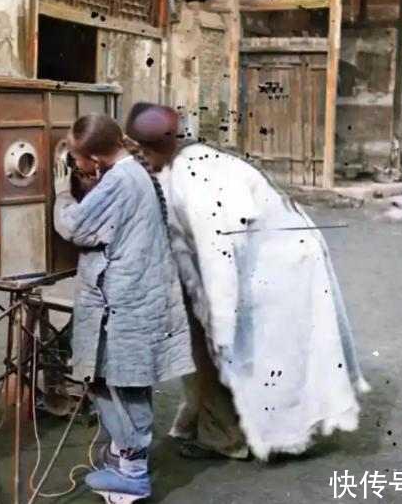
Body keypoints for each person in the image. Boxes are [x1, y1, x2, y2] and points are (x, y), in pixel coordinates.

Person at [124, 103, 369, 461]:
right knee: (243, 349)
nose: (141, 161)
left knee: (261, 352)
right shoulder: (186, 160)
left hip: (278, 265)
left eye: (142, 153)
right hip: (268, 258)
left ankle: (243, 439)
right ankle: (225, 428)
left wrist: (221, 325)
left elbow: (218, 254)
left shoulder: (195, 177)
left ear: (151, 149)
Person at [52, 114, 193, 503]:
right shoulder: (133, 171)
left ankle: (132, 473)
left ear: (95, 158)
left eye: (77, 159)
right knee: (127, 379)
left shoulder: (120, 180)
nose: (75, 166)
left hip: (125, 299)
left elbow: (74, 227)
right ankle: (125, 458)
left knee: (116, 380)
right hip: (139, 293)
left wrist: (62, 192)